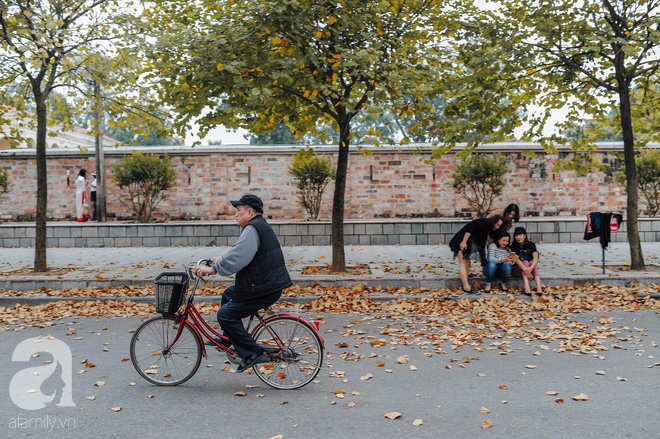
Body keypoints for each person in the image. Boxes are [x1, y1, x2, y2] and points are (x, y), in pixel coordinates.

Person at [193, 194, 292, 373]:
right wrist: (220, 259)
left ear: (250, 211)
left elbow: (239, 256)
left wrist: (214, 269)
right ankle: (229, 338)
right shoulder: (258, 226)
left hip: (264, 288)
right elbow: (241, 252)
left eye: (238, 211)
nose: (235, 215)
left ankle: (253, 352)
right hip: (266, 284)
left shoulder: (252, 228)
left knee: (225, 315)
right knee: (228, 295)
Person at [448, 215, 504, 294]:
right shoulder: (484, 222)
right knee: (463, 263)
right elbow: (469, 230)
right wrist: (463, 242)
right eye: (497, 225)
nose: (498, 227)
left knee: (467, 263)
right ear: (494, 222)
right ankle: (466, 287)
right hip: (462, 240)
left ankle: (466, 284)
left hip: (468, 242)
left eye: (500, 226)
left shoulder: (489, 227)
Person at [510, 226, 543, 295]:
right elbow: (516, 260)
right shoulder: (513, 246)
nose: (518, 237)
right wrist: (527, 271)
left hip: (529, 269)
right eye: (516, 235)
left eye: (520, 235)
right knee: (525, 262)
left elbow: (535, 258)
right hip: (517, 270)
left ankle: (539, 287)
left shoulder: (531, 245)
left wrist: (530, 268)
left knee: (531, 262)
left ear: (525, 236)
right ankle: (526, 286)